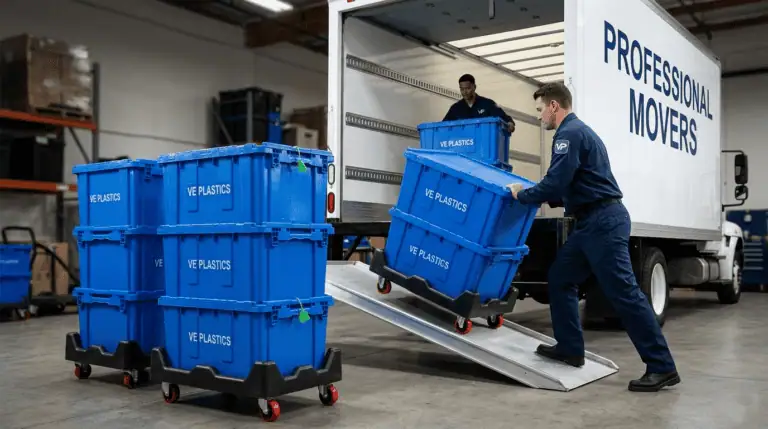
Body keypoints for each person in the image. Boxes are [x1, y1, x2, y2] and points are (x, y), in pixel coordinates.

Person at [506, 82, 680, 393]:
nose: (539, 117)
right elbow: (572, 186)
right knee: (560, 278)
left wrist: (523, 196)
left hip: (602, 222)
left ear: (554, 106)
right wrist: (545, 197)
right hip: (589, 222)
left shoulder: (568, 135)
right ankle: (570, 349)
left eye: (540, 109)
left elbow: (557, 182)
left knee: (625, 294)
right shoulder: (578, 133)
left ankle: (662, 367)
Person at [443, 74, 516, 133]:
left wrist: (510, 124)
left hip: (484, 145)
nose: (464, 92)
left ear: (474, 87)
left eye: (468, 88)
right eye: (462, 89)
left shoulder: (487, 104)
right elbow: (443, 126)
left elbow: (504, 118)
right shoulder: (455, 108)